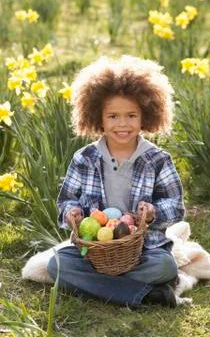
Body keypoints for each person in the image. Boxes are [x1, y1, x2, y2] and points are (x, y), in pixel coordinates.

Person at [47, 55, 185, 308]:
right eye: (113, 116)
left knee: (164, 265)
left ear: (145, 116)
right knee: (56, 264)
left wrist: (154, 213)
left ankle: (102, 286)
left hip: (144, 248)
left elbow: (175, 205)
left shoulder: (157, 159)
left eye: (131, 115)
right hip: (94, 249)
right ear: (98, 118)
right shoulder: (85, 158)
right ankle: (148, 294)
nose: (123, 124)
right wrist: (72, 213)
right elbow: (66, 201)